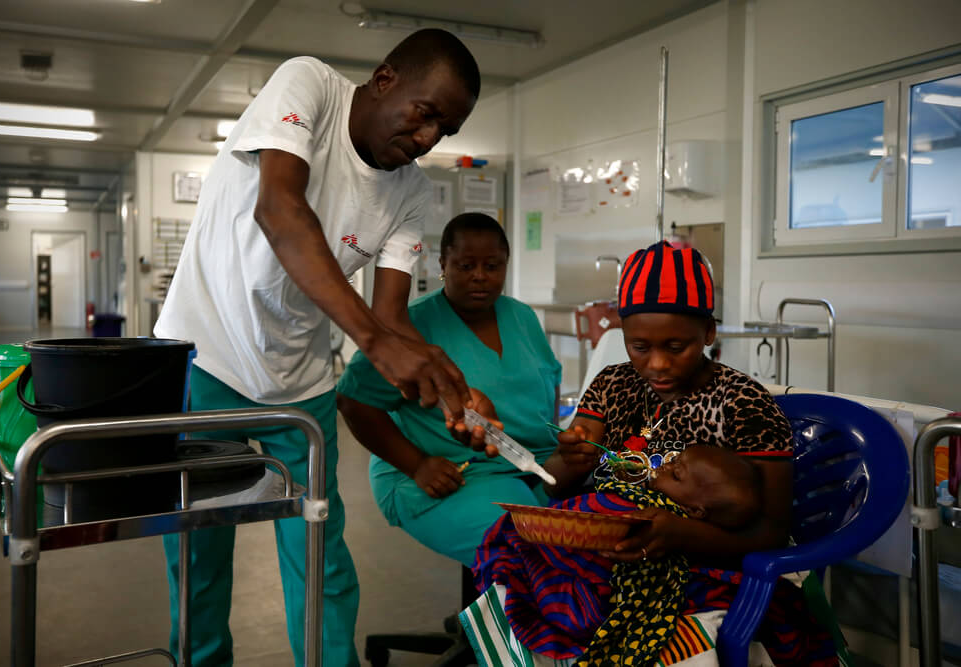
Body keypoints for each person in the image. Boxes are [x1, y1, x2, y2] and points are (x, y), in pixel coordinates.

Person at [153, 29, 482, 666]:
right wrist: (372, 342)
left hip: (301, 383)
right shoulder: (309, 87)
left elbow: (390, 316)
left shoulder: (412, 190)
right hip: (205, 358)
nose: (426, 139)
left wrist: (452, 381)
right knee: (198, 552)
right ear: (386, 78)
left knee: (320, 554)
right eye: (425, 113)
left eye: (446, 129)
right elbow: (278, 209)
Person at [465, 241, 837, 666]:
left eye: (676, 347)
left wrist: (678, 533)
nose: (658, 364)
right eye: (640, 347)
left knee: (599, 614)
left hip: (704, 556)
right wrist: (571, 457)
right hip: (609, 546)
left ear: (709, 334)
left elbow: (769, 534)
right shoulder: (613, 385)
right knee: (514, 563)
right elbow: (556, 484)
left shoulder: (743, 405)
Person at [336, 212, 562, 566]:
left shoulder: (522, 316)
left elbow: (546, 384)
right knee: (532, 550)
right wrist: (417, 464)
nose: (479, 276)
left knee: (617, 524)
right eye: (465, 265)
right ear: (443, 264)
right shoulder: (411, 325)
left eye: (492, 266)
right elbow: (353, 401)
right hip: (451, 472)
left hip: (530, 465)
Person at [475, 446, 767, 662]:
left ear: (694, 511)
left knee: (513, 550)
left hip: (599, 595)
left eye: (675, 473)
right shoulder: (643, 492)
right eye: (673, 460)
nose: (663, 466)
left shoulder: (655, 515)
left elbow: (594, 526)